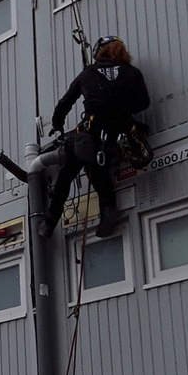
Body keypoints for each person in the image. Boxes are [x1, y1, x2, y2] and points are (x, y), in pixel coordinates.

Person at [39, 35, 150, 238]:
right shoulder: (132, 72)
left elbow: (65, 103)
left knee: (68, 173)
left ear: (99, 51)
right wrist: (121, 110)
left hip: (92, 131)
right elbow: (144, 102)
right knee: (98, 169)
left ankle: (49, 221)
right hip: (120, 133)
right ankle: (108, 210)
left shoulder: (88, 73)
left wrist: (57, 125)